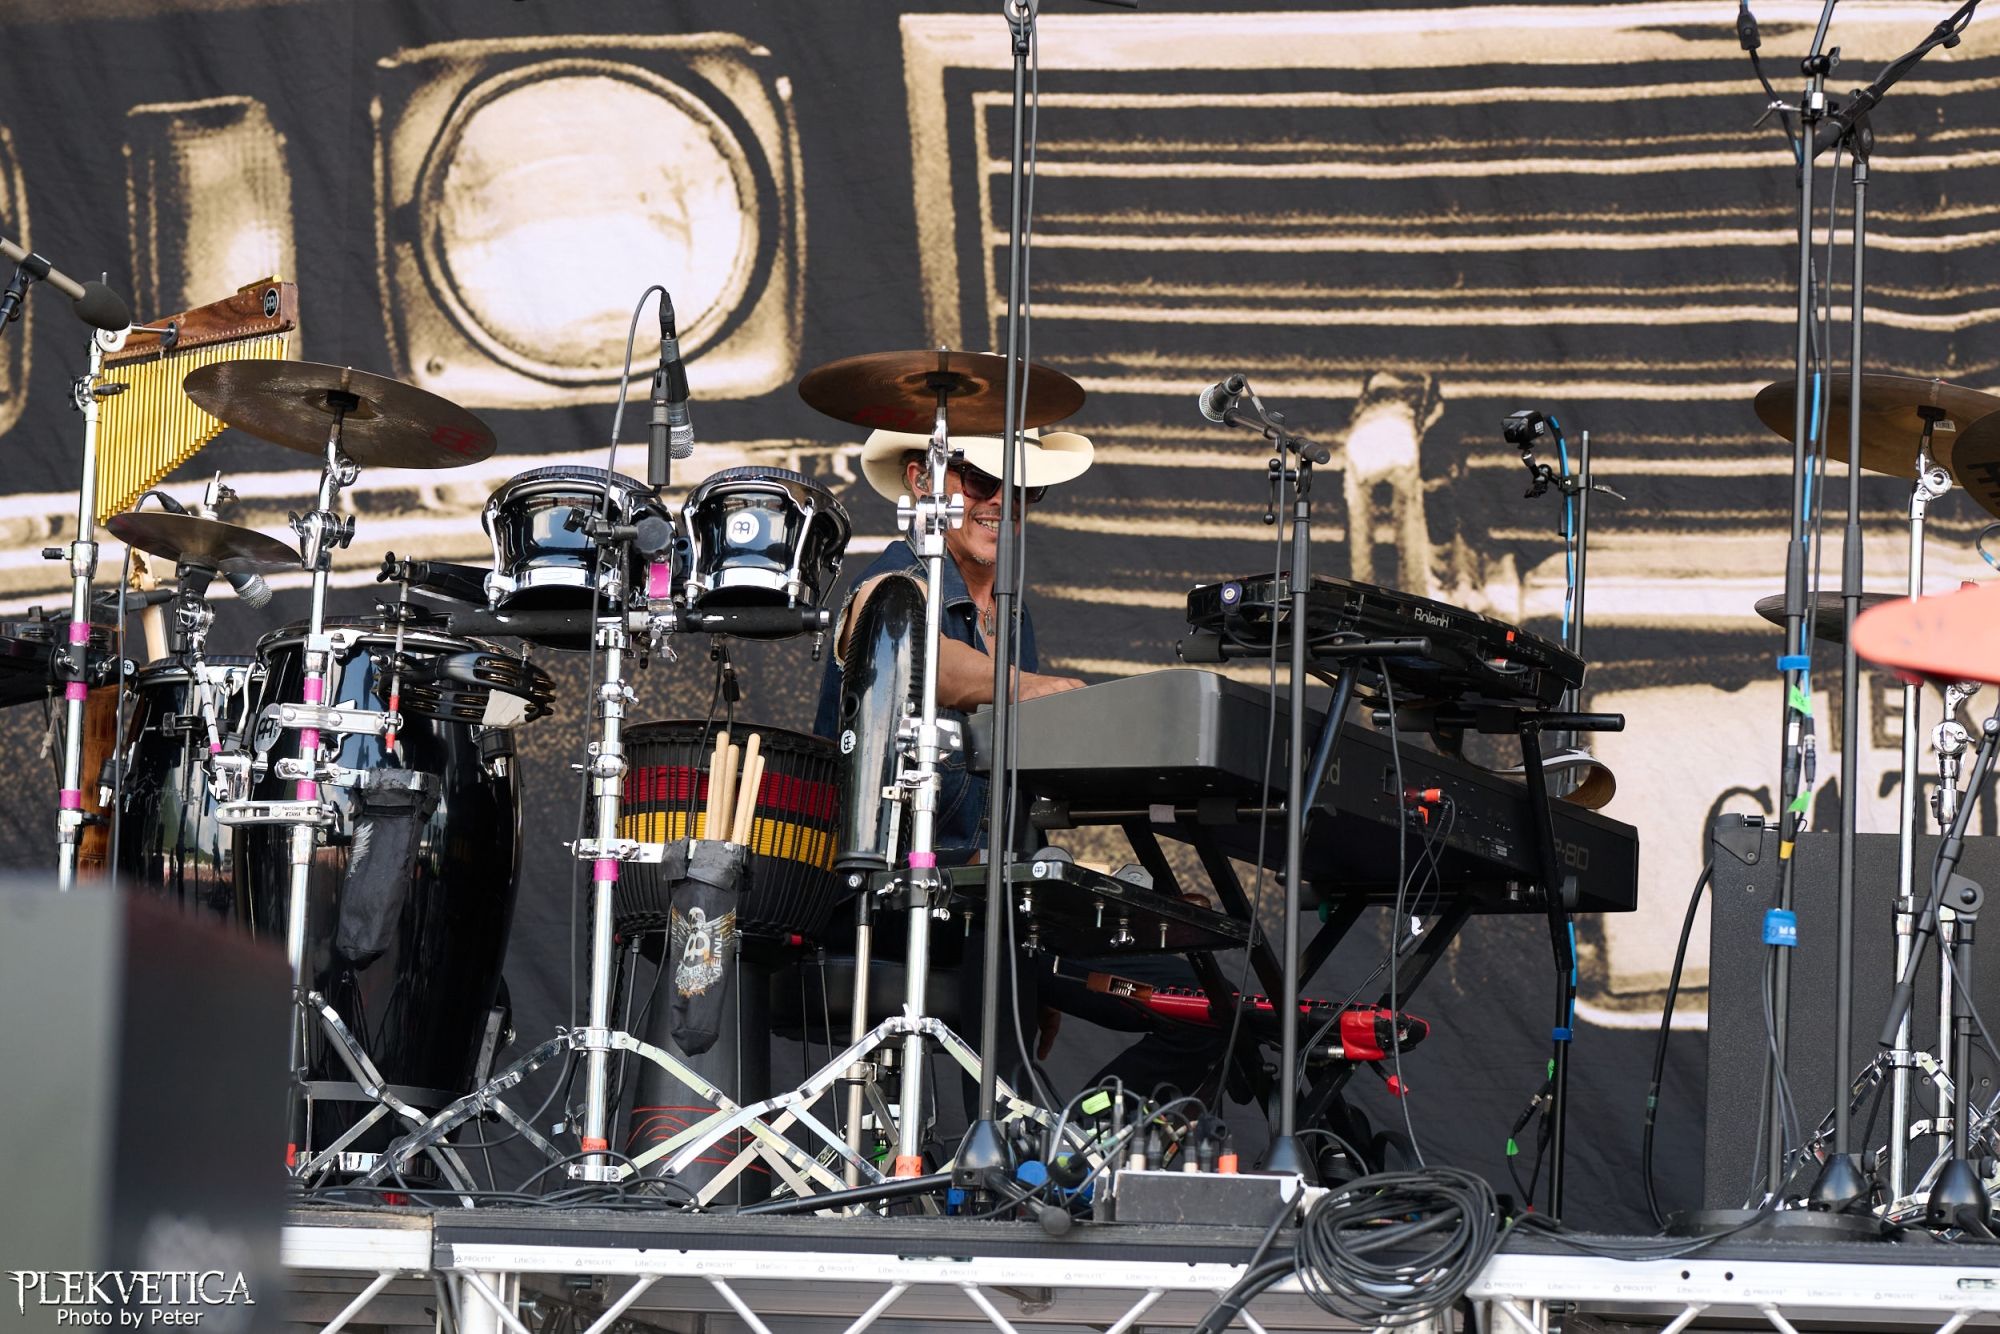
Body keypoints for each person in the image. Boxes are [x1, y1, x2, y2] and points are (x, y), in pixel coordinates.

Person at [812, 426, 1090, 864]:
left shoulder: (1014, 616)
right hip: (886, 891)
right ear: (922, 482)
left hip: (991, 891)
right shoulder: (888, 586)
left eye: (1023, 486)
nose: (1003, 500)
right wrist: (1033, 689)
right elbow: (922, 660)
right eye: (982, 479)